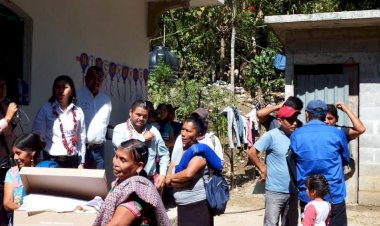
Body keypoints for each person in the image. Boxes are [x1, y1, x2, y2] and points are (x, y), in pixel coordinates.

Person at [289, 99, 350, 226]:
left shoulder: (296, 135)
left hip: (309, 195)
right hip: (334, 193)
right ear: (325, 115)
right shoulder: (337, 134)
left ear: (306, 115)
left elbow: (292, 162)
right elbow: (345, 160)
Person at [93, 139, 170, 226]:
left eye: (122, 160)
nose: (115, 163)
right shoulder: (121, 184)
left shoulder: (137, 193)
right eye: (116, 156)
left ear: (139, 166)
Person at [248, 106, 299, 226]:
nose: (295, 122)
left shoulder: (298, 136)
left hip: (293, 191)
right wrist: (262, 169)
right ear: (280, 121)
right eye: (290, 120)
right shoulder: (271, 136)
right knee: (271, 223)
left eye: (295, 119)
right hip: (275, 191)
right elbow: (252, 152)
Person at [112, 100, 170, 193]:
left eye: (145, 116)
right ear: (130, 112)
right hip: (126, 181)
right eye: (138, 115)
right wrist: (142, 138)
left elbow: (164, 154)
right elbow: (124, 150)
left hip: (149, 181)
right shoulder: (120, 129)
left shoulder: (153, 131)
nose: (141, 118)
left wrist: (162, 174)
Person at [166, 116, 215, 226]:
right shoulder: (178, 151)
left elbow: (188, 175)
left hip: (197, 206)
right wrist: (174, 180)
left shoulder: (200, 153)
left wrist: (171, 179)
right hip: (182, 205)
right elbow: (168, 178)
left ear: (198, 135)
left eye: (188, 131)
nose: (183, 133)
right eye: (183, 129)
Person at [32, 75, 86, 168]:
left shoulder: (78, 111)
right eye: (57, 87)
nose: (61, 91)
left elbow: (81, 138)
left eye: (65, 87)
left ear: (71, 90)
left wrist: (82, 162)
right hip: (50, 162)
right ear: (53, 90)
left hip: (72, 161)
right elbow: (38, 137)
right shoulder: (45, 109)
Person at [3, 133, 45, 226]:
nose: (15, 158)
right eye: (14, 154)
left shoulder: (43, 171)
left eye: (18, 153)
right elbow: (7, 203)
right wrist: (25, 209)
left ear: (32, 153)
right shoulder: (12, 173)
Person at [77, 66, 112, 169]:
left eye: (100, 79)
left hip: (98, 151)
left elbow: (105, 124)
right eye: (93, 77)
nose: (96, 81)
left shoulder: (106, 100)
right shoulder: (77, 96)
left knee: (97, 183)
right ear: (86, 78)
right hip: (80, 149)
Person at [0, 78, 18, 224]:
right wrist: (7, 118)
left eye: (3, 86)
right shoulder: (7, 113)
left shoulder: (5, 107)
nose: (1, 90)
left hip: (6, 164)